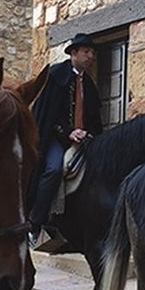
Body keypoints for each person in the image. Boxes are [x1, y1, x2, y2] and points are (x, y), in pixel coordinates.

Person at [27, 32, 103, 242]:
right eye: (86, 52)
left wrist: (91, 135)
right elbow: (49, 114)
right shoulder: (55, 75)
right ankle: (35, 222)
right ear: (74, 53)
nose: (91, 56)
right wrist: (68, 131)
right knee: (53, 169)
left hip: (83, 139)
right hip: (55, 137)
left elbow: (93, 116)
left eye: (92, 53)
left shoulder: (88, 83)